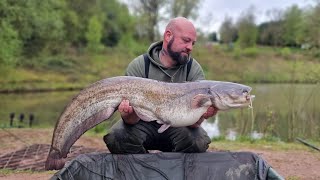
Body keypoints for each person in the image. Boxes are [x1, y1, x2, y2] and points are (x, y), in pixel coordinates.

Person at [103, 17, 218, 154]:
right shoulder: (140, 65)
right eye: (186, 41)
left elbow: (193, 124)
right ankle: (143, 167)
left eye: (193, 43)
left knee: (198, 141)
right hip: (142, 126)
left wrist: (202, 115)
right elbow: (131, 121)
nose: (190, 47)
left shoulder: (193, 69)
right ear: (168, 36)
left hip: (178, 127)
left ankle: (174, 169)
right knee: (117, 137)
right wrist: (127, 115)